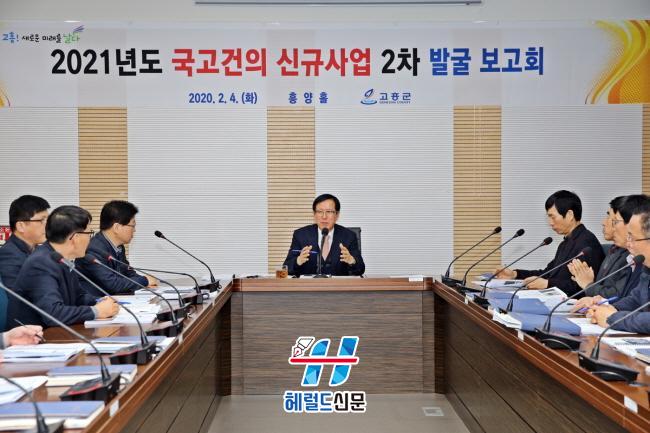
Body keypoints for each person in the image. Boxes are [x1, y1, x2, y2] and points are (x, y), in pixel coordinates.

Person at [9, 206, 119, 328]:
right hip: (35, 336)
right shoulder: (41, 263)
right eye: (89, 233)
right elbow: (53, 314)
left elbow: (78, 297)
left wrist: (101, 301)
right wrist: (96, 311)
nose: (90, 239)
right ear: (76, 238)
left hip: (56, 332)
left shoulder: (60, 258)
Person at [494, 190, 604, 296]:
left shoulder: (586, 244)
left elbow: (583, 287)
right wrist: (515, 274)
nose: (550, 223)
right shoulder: (566, 243)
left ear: (570, 215)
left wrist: (548, 284)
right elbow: (547, 273)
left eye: (553, 217)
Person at [587, 199, 650, 333]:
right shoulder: (647, 267)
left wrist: (613, 318)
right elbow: (635, 299)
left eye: (632, 238)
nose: (629, 244)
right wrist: (609, 309)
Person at [76, 200, 157, 296]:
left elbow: (128, 272)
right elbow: (113, 284)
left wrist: (146, 282)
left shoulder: (118, 246)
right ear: (117, 227)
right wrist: (144, 281)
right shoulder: (93, 249)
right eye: (132, 226)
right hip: (94, 301)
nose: (134, 230)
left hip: (112, 299)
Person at [283, 194, 365, 276]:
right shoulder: (301, 235)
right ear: (314, 214)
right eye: (319, 212)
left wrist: (351, 261)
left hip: (338, 284)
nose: (324, 216)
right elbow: (286, 268)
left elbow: (361, 269)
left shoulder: (349, 236)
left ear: (337, 215)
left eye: (329, 211)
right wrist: (298, 261)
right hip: (309, 284)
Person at [567, 196, 630, 298]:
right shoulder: (614, 249)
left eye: (613, 220)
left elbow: (617, 296)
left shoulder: (632, 256)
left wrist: (588, 285)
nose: (603, 223)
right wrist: (584, 279)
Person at [0, 195, 50, 288]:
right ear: (21, 226)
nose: (48, 225)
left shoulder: (39, 250)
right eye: (42, 220)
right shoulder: (8, 254)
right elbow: (17, 294)